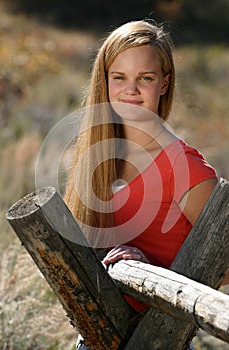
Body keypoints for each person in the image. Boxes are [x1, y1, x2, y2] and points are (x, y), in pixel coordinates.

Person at [63, 19, 224, 350]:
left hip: (157, 341)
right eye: (119, 77)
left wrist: (154, 272)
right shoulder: (99, 159)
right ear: (104, 82)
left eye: (145, 79)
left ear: (164, 84)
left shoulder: (187, 169)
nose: (130, 90)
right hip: (92, 340)